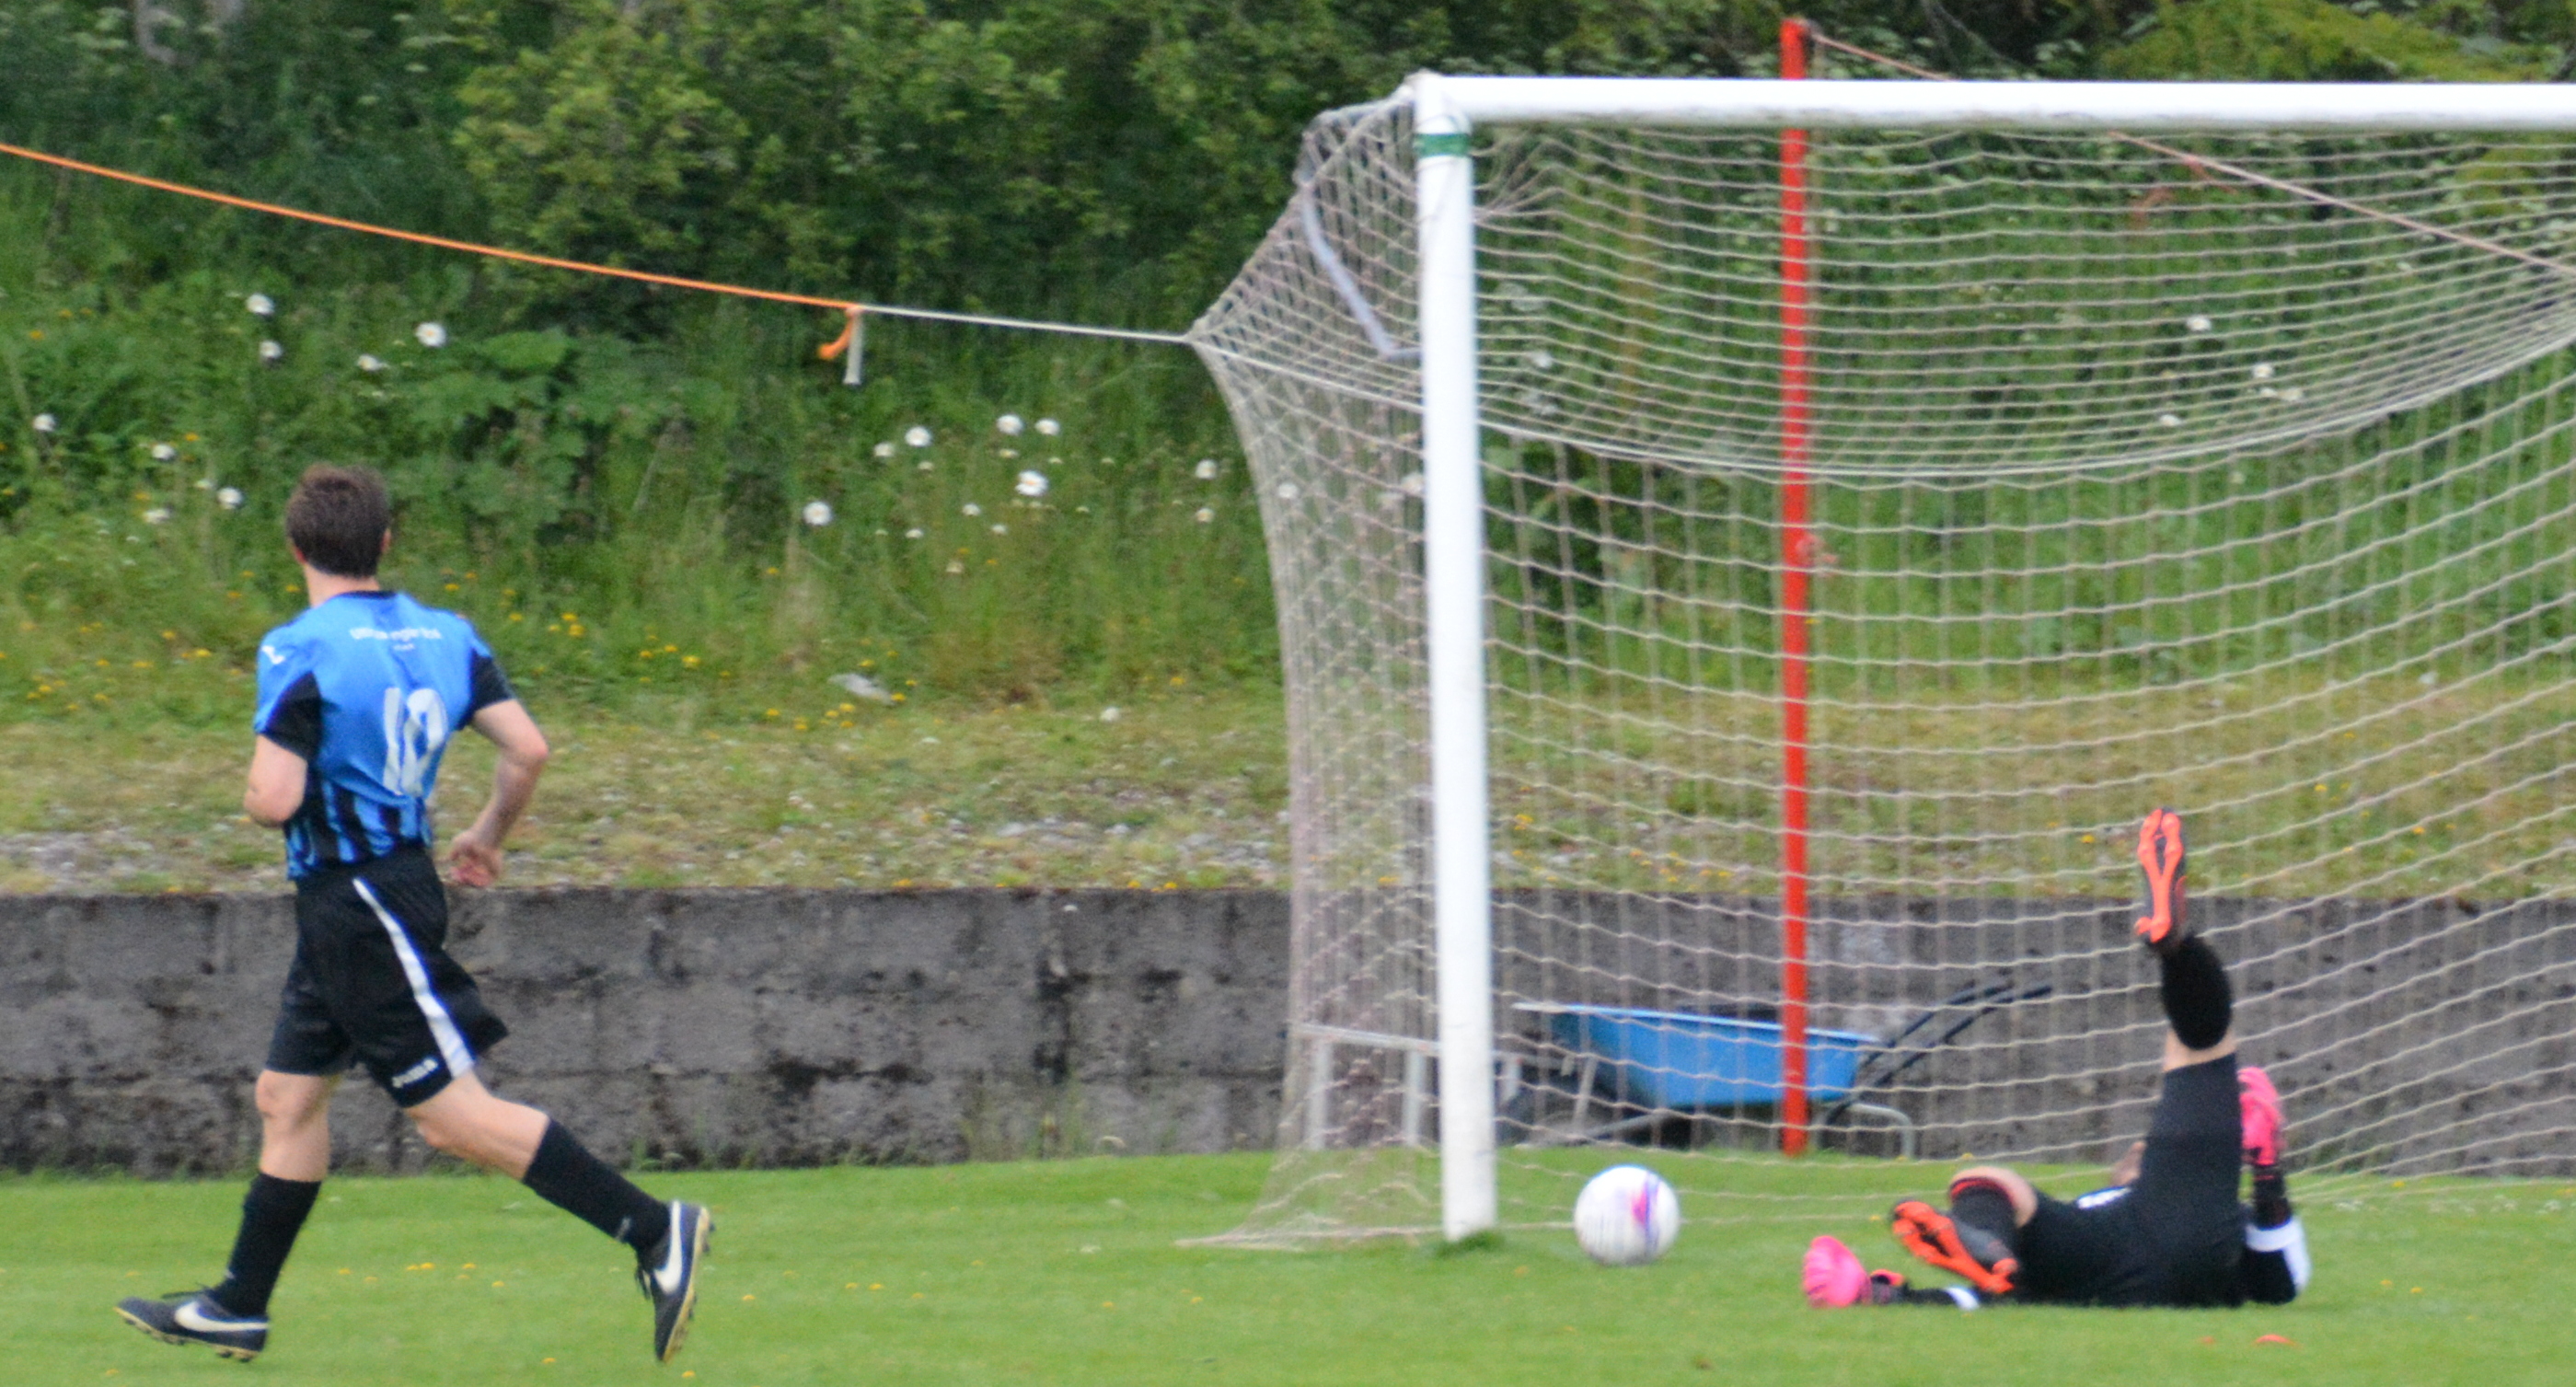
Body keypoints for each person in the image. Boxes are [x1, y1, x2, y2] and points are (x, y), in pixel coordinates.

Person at [115, 465, 711, 1363]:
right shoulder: (446, 635)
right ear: (385, 543)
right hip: (384, 888)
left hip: (355, 901)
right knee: (286, 1097)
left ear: (295, 548)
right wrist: (487, 833)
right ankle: (238, 1304)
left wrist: (253, 790)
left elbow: (274, 798)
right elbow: (528, 748)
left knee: (449, 1117)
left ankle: (656, 1229)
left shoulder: (299, 647)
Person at [1804, 807, 2309, 1311]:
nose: (2137, 1148)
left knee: (1995, 1182)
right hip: (2116, 1257)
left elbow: (2280, 1286)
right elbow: (1995, 1303)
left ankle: (1987, 1246)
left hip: (2142, 1240)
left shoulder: (2215, 1205)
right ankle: (1991, 1253)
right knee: (1999, 1219)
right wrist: (1882, 1296)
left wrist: (2268, 1179)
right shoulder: (2148, 1208)